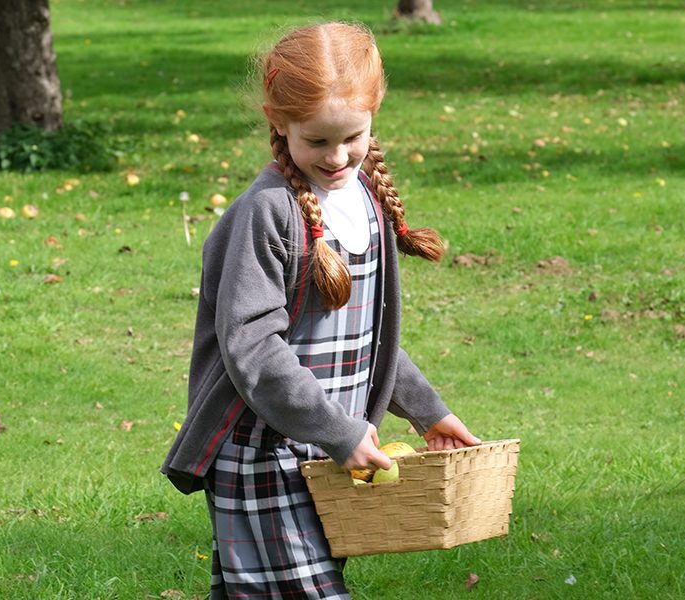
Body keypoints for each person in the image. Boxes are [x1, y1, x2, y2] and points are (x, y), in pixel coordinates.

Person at [162, 22, 481, 598]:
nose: (337, 157)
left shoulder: (365, 199)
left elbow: (369, 336)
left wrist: (426, 412)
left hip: (327, 449)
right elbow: (253, 349)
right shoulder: (266, 214)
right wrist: (338, 430)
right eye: (318, 142)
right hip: (262, 452)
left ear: (375, 112)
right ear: (278, 122)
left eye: (352, 136)